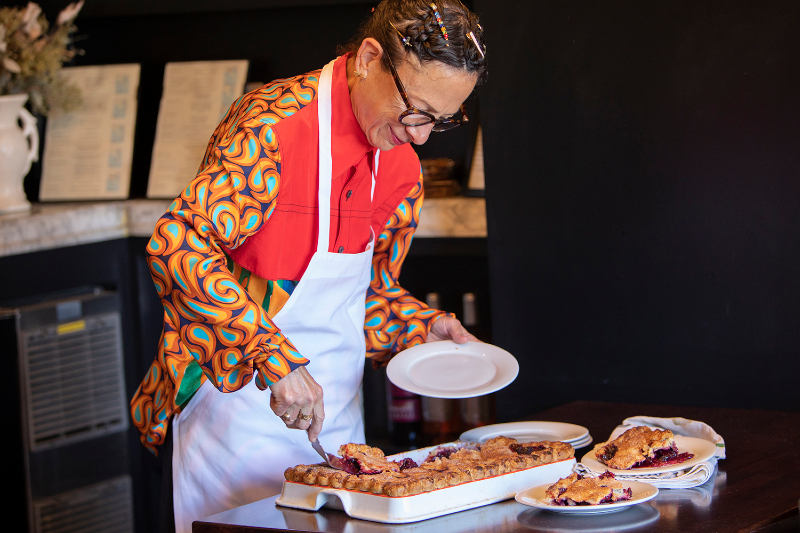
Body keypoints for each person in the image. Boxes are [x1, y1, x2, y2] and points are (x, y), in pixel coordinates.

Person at [130, 1, 487, 531]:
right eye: (415, 110)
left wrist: (419, 326)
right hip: (232, 417)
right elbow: (178, 241)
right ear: (369, 58)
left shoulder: (402, 170)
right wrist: (268, 353)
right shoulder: (273, 127)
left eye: (440, 120)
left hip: (339, 426)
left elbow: (368, 292)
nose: (419, 136)